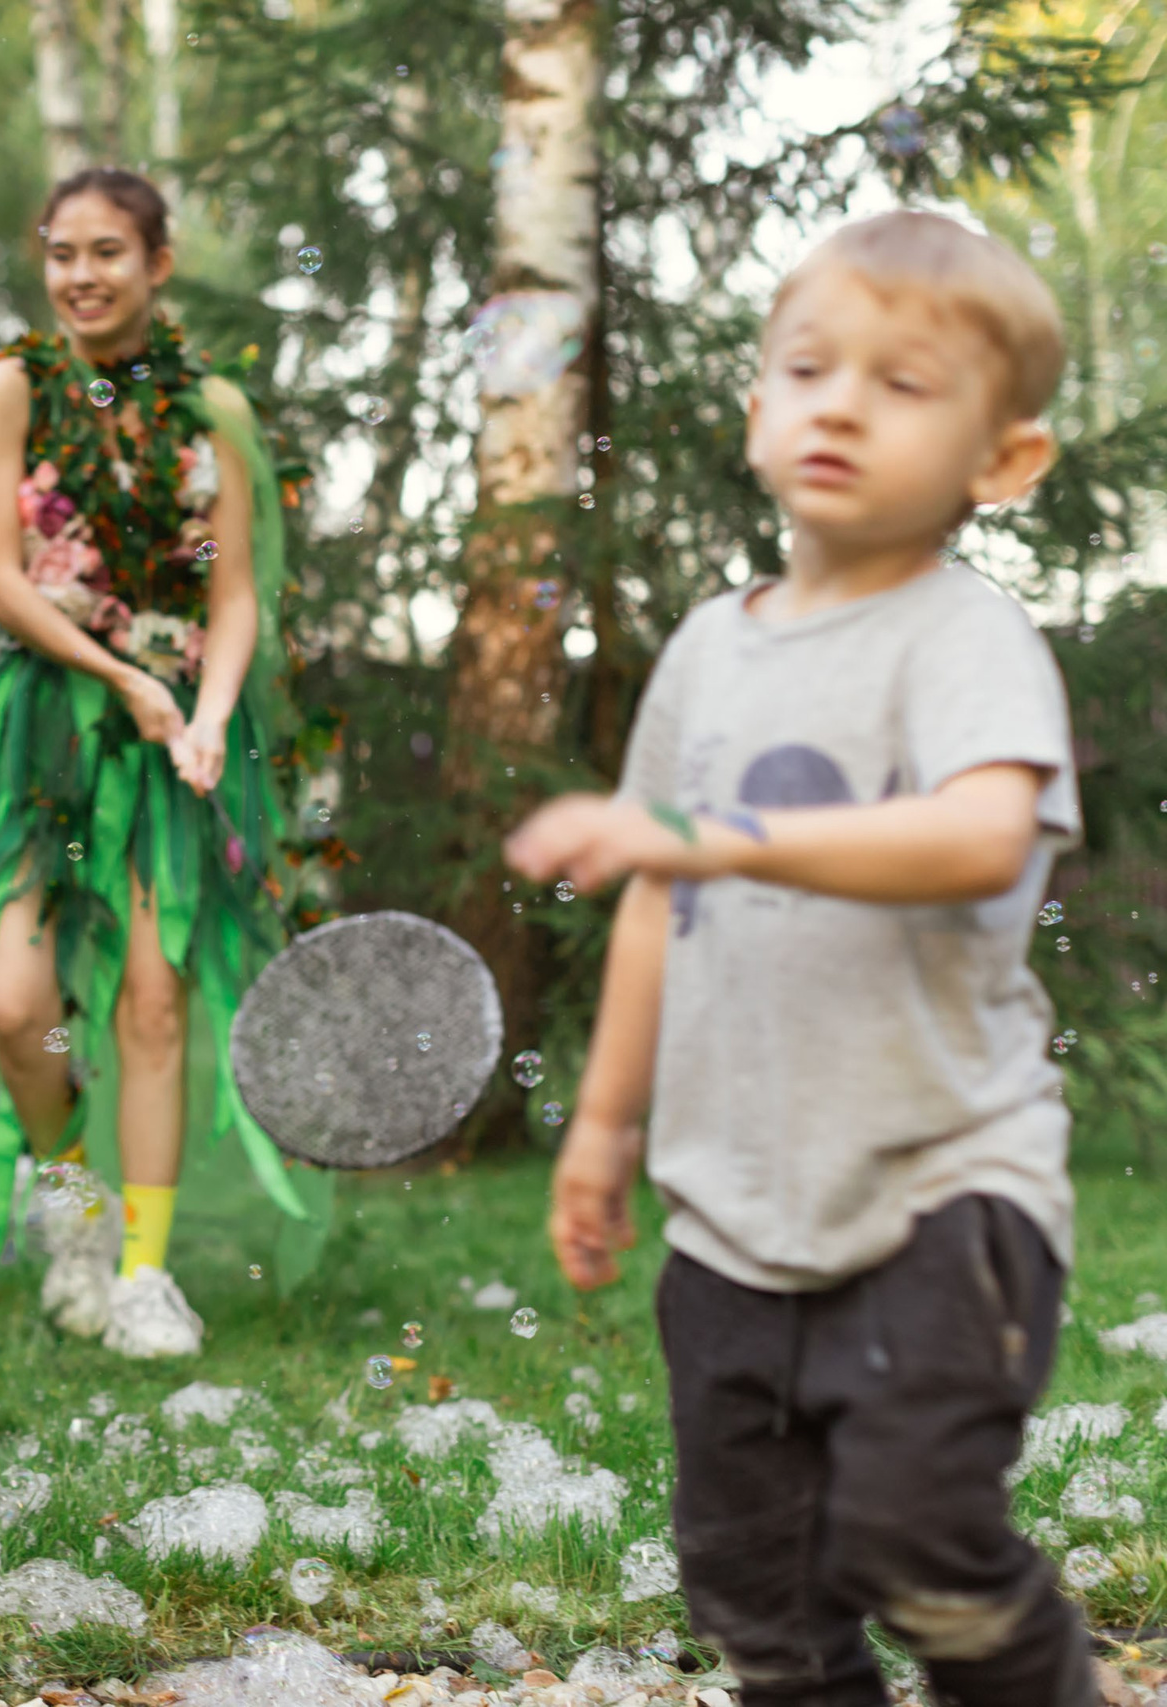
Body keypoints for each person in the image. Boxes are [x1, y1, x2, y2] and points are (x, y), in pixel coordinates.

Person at [509, 211, 1100, 1707]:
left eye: (904, 384)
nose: (841, 403)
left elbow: (981, 837)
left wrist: (715, 834)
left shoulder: (961, 636)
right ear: (758, 404)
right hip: (729, 1212)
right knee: (753, 1590)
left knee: (917, 1539)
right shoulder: (711, 647)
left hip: (938, 1192)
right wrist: (603, 1124)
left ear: (1002, 460)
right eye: (809, 368)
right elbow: (655, 899)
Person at [0, 166, 313, 1358]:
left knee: (152, 1001)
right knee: (13, 999)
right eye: (61, 252)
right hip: (39, 717)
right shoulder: (10, 390)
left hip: (167, 738)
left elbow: (234, 596)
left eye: (107, 253)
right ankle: (73, 1204)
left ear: (158, 263)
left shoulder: (213, 412)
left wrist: (206, 709)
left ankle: (143, 1272)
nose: (80, 275)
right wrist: (124, 678)